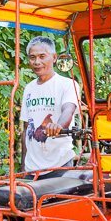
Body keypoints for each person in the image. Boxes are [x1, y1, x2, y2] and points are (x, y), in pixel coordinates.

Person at [19, 36, 79, 177]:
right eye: (32, 57)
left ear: (54, 57)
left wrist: (58, 126)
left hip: (59, 164)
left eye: (42, 56)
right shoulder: (29, 88)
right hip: (31, 168)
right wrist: (23, 165)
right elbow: (27, 128)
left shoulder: (67, 84)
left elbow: (68, 110)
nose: (37, 62)